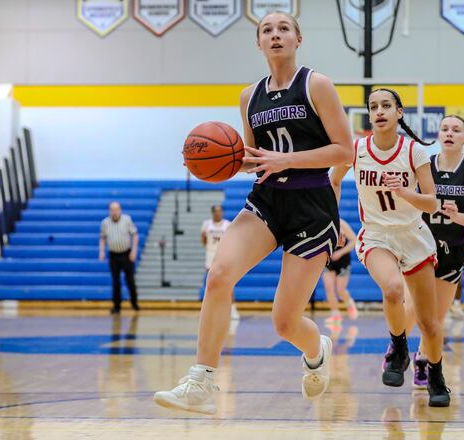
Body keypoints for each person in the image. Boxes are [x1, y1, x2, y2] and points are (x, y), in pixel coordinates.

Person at [154, 11, 353, 415]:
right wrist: (210, 161)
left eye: (284, 29)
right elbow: (252, 157)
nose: (275, 35)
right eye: (267, 30)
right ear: (258, 43)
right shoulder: (249, 96)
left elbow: (344, 151)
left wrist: (288, 160)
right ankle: (202, 380)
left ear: (299, 39)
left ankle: (317, 351)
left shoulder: (317, 85)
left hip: (312, 205)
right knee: (219, 276)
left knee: (284, 322)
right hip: (266, 199)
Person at [330, 88, 450, 407]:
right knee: (394, 289)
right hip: (376, 235)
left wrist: (406, 193)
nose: (379, 110)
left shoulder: (414, 152)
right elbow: (334, 179)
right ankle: (398, 346)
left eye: (386, 105)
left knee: (429, 323)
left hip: (413, 234)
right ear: (369, 115)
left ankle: (436, 374)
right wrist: (330, 217)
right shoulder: (356, 149)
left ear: (399, 112)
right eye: (373, 106)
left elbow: (433, 200)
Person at [404, 114, 464, 390]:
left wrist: (457, 215)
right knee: (412, 310)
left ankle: (423, 358)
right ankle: (398, 350)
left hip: (452, 251)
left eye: (456, 129)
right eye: (444, 129)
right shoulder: (424, 165)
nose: (449, 133)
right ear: (438, 134)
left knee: (435, 320)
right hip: (421, 246)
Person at [99, 202, 140, 314]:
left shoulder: (127, 220)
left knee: (130, 280)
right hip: (113, 255)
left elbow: (135, 234)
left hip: (126, 254)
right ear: (109, 211)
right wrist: (101, 251)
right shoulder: (105, 223)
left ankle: (134, 303)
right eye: (112, 209)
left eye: (116, 209)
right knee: (115, 282)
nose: (114, 212)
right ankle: (117, 306)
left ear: (120, 210)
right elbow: (102, 238)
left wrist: (134, 250)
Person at [201, 205, 239, 321]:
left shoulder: (227, 224)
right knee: (211, 284)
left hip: (224, 256)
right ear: (213, 213)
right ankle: (212, 311)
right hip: (210, 257)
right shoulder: (206, 225)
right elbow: (203, 239)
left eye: (220, 211)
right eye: (216, 211)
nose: (219, 213)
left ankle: (232, 309)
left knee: (229, 283)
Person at [323, 218, 358, 325]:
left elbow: (354, 240)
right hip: (328, 259)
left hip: (342, 260)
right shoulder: (321, 222)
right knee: (329, 288)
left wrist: (340, 252)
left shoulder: (341, 223)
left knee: (340, 290)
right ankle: (335, 315)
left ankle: (349, 303)